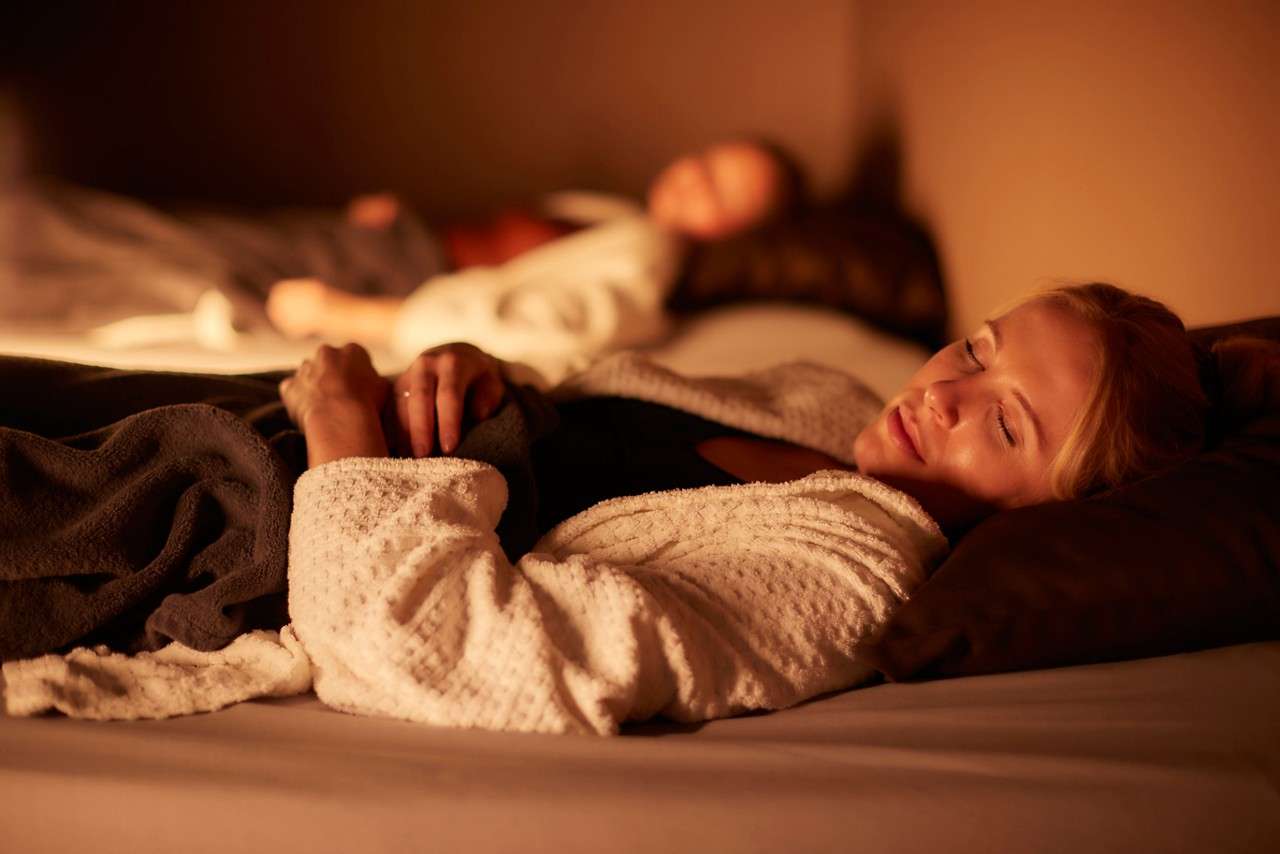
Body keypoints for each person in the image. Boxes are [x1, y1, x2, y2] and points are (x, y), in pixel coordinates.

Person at [271, 282, 1214, 733]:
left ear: (1047, 515)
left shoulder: (847, 572)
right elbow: (582, 419)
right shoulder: (826, 400)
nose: (942, 395)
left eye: (1004, 428)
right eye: (974, 351)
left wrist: (342, 425)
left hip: (268, 516)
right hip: (280, 427)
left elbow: (434, 645)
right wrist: (481, 377)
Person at [263, 139, 804, 381]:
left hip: (387, 280)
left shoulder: (651, 259)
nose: (692, 178)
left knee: (184, 252)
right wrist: (405, 218)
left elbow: (540, 328)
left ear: (738, 236)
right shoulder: (619, 217)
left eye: (720, 191)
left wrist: (346, 314)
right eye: (707, 161)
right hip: (396, 248)